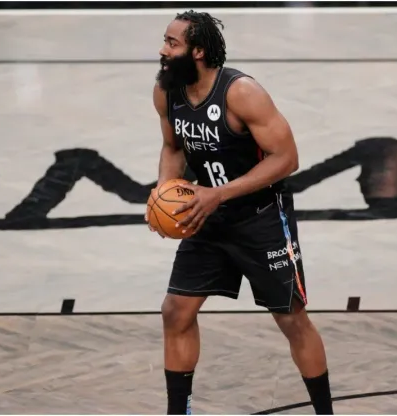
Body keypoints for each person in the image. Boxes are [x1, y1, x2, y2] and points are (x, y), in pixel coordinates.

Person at [145, 10, 334, 415]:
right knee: (175, 312)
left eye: (172, 43)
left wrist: (220, 193)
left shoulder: (241, 92)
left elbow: (287, 158)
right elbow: (174, 147)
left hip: (260, 217)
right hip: (206, 217)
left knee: (291, 320)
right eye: (165, 40)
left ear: (197, 51)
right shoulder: (167, 91)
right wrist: (165, 192)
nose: (163, 50)